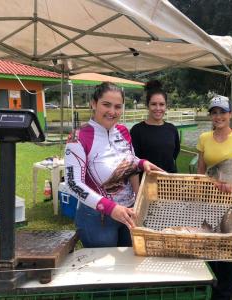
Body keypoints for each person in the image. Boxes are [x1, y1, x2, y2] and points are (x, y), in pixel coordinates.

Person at [64, 82, 162, 248]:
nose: (112, 112)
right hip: (97, 217)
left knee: (130, 263)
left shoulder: (123, 131)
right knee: (104, 269)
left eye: (118, 107)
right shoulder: (78, 137)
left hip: (129, 212)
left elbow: (128, 159)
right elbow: (73, 183)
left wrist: (141, 163)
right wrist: (110, 208)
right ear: (94, 104)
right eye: (106, 105)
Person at [196, 95, 232, 300]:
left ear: (230, 114)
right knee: (208, 241)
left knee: (228, 245)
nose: (218, 116)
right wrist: (207, 186)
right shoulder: (204, 138)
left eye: (222, 112)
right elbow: (201, 170)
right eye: (214, 112)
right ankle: (208, 285)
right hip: (208, 198)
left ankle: (224, 292)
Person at [130, 80, 180, 173]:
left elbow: (174, 154)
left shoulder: (172, 129)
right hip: (147, 182)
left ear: (166, 106)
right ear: (147, 105)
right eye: (153, 104)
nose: (158, 108)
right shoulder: (137, 130)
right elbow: (134, 162)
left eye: (161, 104)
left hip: (170, 182)